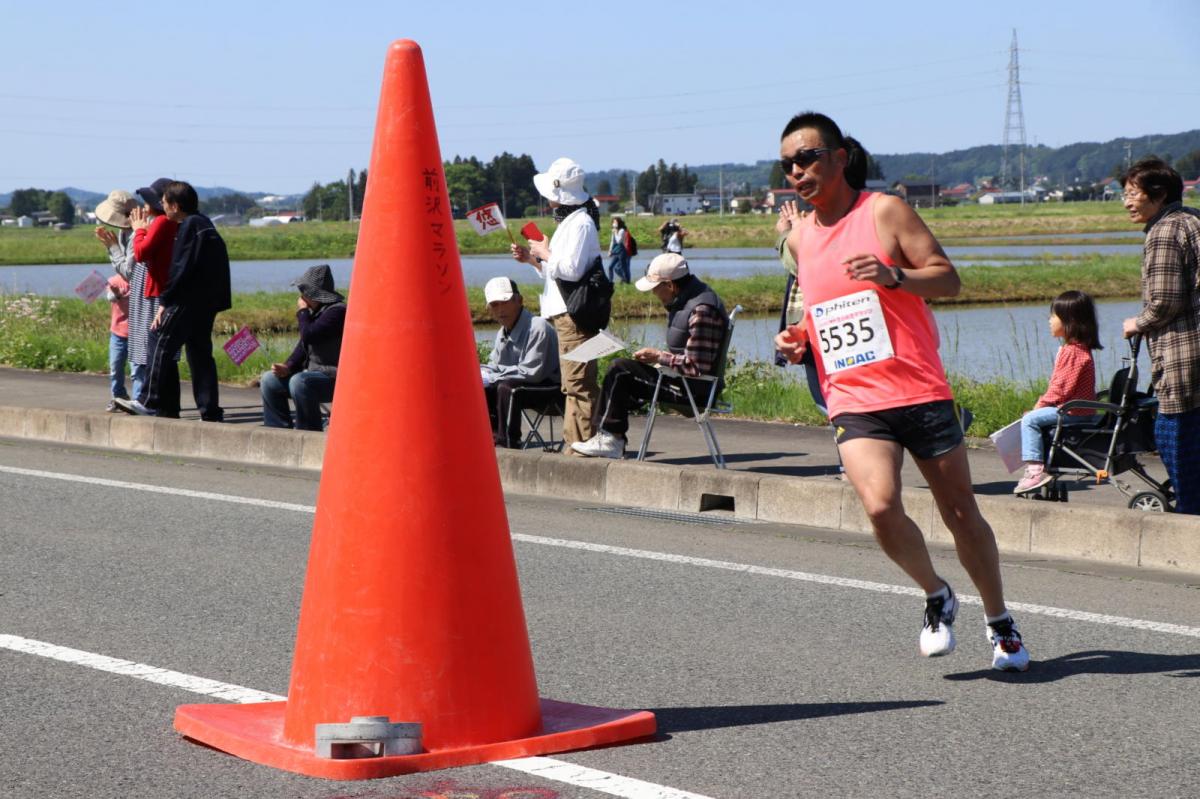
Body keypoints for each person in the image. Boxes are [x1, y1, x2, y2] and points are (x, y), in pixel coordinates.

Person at [773, 111, 1029, 671]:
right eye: (787, 163)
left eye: (807, 158)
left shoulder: (884, 211)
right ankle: (937, 593)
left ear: (840, 158)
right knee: (881, 506)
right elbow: (822, 310)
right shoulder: (800, 236)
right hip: (853, 397)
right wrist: (798, 339)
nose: (796, 171)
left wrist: (893, 276)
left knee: (959, 511)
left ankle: (999, 619)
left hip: (917, 388)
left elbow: (948, 278)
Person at [572, 253, 728, 459]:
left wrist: (659, 357)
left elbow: (696, 367)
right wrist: (659, 359)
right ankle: (610, 437)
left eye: (655, 288)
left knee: (620, 371)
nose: (653, 293)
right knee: (622, 371)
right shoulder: (689, 300)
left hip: (693, 392)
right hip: (683, 382)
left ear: (670, 285)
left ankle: (611, 439)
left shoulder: (701, 310)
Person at [1119, 158, 1200, 515]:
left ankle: (1189, 516)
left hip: (1184, 351)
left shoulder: (1165, 231)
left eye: (1133, 194)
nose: (1127, 202)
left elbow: (1165, 301)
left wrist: (1137, 323)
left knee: (1176, 435)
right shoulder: (1193, 220)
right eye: (1125, 194)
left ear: (1159, 194)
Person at [510, 157, 604, 452]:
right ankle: (575, 445)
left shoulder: (580, 224)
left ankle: (581, 446)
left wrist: (545, 252)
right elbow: (559, 274)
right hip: (566, 314)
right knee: (572, 383)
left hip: (574, 316)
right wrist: (533, 259)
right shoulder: (571, 222)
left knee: (578, 383)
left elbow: (571, 270)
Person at [120, 181, 231, 421]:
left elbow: (181, 267)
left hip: (187, 299)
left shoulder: (189, 226)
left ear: (176, 206)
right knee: (200, 354)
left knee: (159, 338)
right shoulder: (204, 223)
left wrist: (165, 302)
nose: (162, 206)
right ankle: (210, 412)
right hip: (207, 301)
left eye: (164, 203)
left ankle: (148, 401)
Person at [1013, 291, 1102, 494]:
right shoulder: (1078, 349)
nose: (1049, 320)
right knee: (1035, 417)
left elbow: (1060, 389)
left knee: (1030, 420)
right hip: (1079, 410)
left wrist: (1040, 405)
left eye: (1054, 316)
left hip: (1074, 412)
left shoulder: (1072, 352)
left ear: (1070, 321)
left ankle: (1035, 471)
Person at [261, 264, 346, 431]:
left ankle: (308, 432)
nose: (301, 296)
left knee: (300, 382)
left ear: (314, 294)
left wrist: (302, 311)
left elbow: (309, 335)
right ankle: (277, 431)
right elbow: (303, 345)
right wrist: (288, 366)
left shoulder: (337, 312)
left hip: (334, 376)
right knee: (269, 380)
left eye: (304, 291)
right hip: (315, 373)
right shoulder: (317, 312)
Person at [479, 277, 561, 448]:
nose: (500, 309)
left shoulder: (538, 327)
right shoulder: (502, 332)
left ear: (519, 300)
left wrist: (493, 376)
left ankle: (508, 442)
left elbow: (532, 373)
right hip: (524, 385)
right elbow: (494, 365)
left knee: (507, 387)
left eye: (505, 302)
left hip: (551, 389)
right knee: (483, 385)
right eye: (494, 305)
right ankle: (491, 438)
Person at [93, 189, 145, 405]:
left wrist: (112, 248)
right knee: (118, 366)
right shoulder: (126, 232)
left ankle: (140, 400)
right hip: (120, 328)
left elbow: (130, 272)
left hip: (140, 314)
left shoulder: (136, 234)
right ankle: (121, 397)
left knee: (137, 365)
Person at [103, 272, 131, 411]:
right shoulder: (113, 280)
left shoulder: (140, 278)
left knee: (137, 371)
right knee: (115, 368)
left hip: (136, 333)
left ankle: (140, 400)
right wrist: (117, 293)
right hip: (118, 333)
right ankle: (118, 397)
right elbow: (111, 297)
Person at [607, 217, 632, 284]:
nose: (614, 224)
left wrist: (615, 232)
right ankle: (610, 282)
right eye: (613, 222)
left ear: (619, 223)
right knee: (610, 267)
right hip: (615, 251)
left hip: (622, 252)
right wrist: (610, 250)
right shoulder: (614, 231)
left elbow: (619, 241)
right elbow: (612, 241)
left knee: (623, 268)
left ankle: (627, 281)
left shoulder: (622, 230)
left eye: (616, 222)